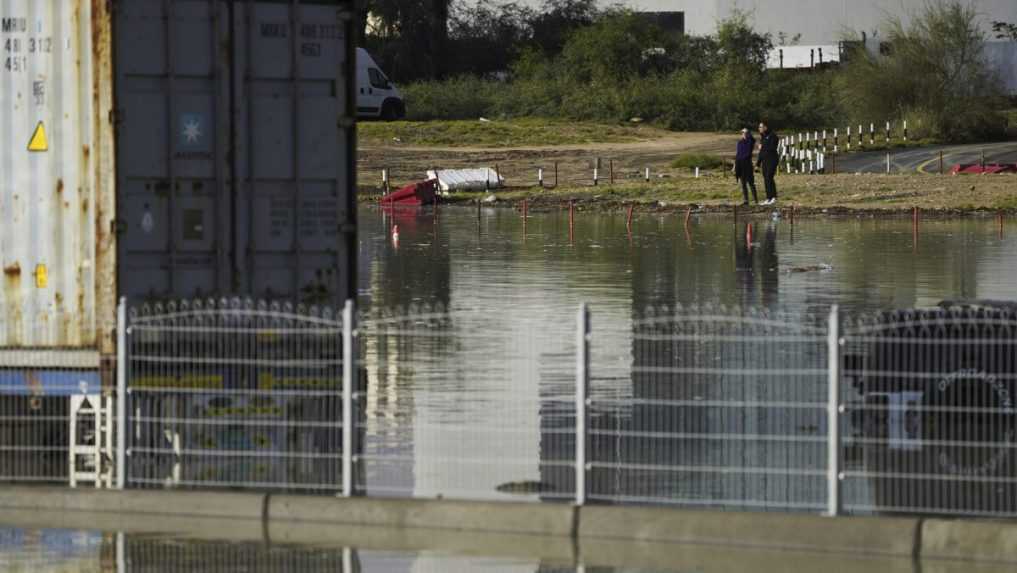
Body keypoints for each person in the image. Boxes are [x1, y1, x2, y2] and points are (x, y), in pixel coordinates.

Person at [732, 128, 758, 206]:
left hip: (747, 164)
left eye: (745, 133)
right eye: (743, 133)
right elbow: (738, 154)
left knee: (751, 183)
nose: (744, 134)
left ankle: (756, 200)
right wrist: (734, 166)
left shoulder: (750, 142)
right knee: (743, 183)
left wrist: (748, 132)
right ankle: (746, 200)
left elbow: (753, 139)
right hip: (740, 164)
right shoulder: (739, 143)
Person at [756, 121, 779, 205]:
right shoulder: (762, 137)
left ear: (765, 127)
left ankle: (774, 197)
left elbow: (773, 147)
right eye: (759, 127)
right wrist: (758, 164)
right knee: (765, 178)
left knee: (769, 177)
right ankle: (768, 198)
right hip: (765, 160)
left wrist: (763, 146)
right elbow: (761, 152)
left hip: (772, 159)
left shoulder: (773, 136)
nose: (759, 129)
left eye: (761, 127)